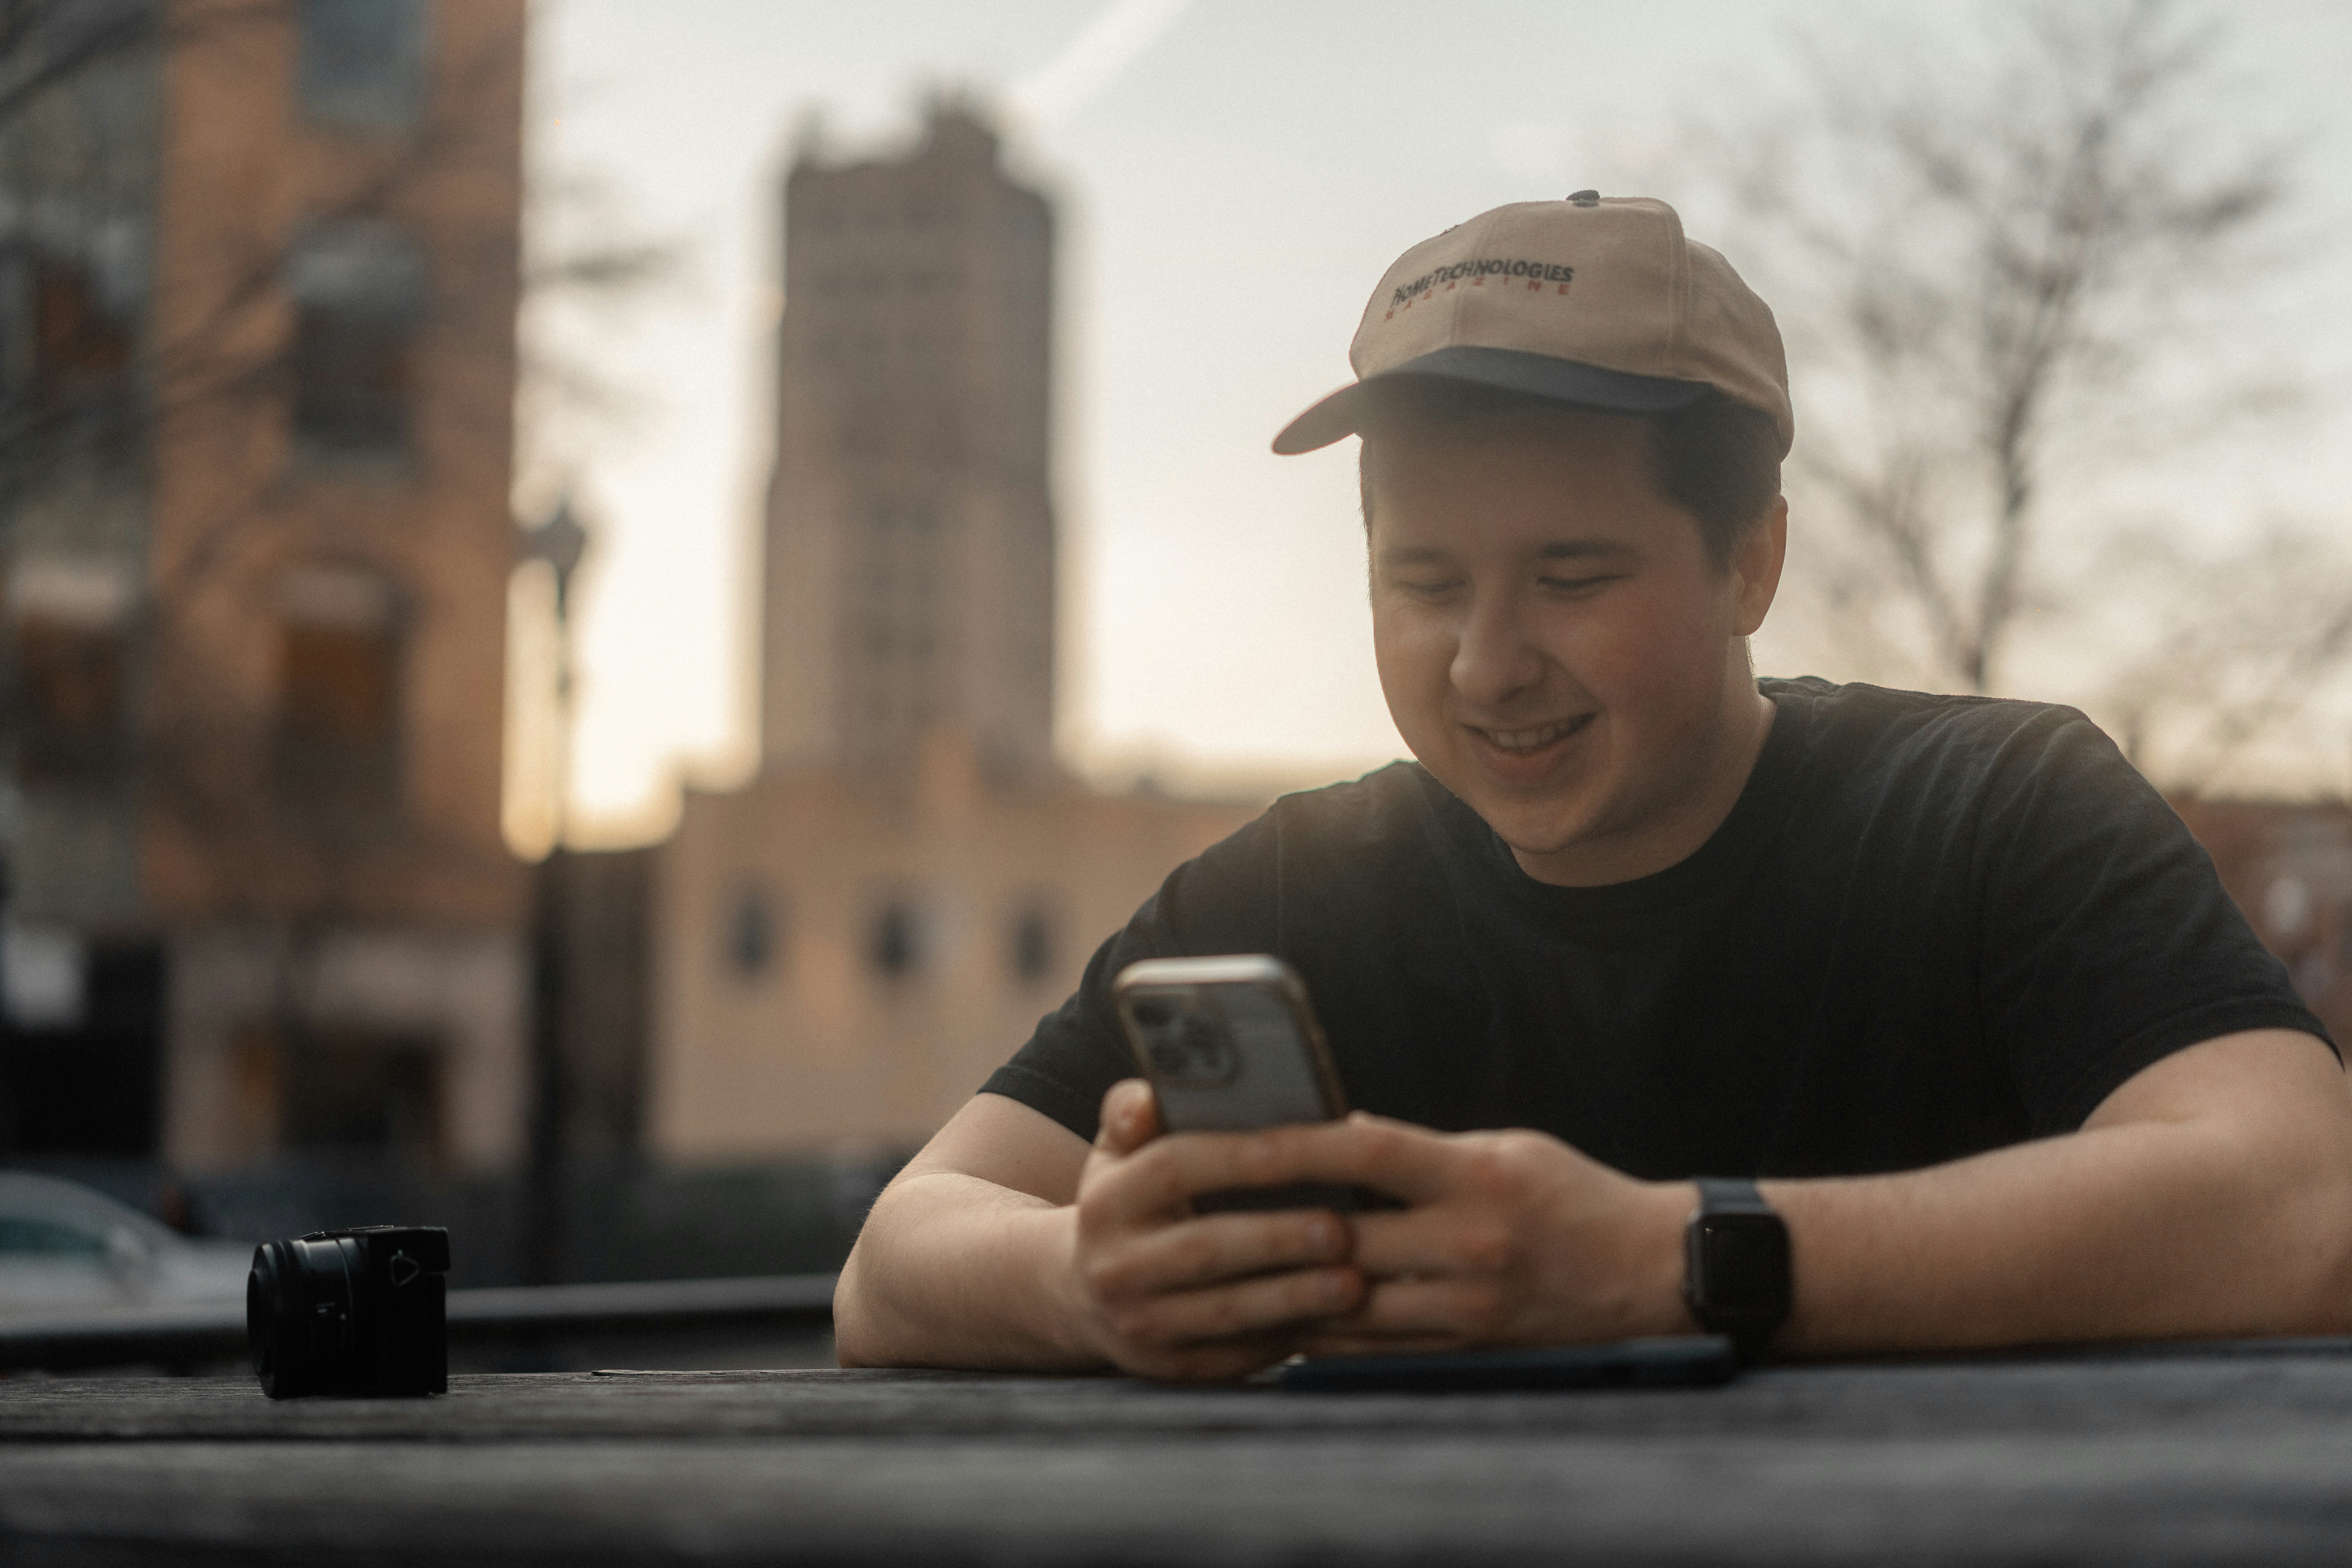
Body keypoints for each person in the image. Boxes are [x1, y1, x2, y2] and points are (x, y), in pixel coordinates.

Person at [832, 195, 2352, 1380]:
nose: (1486, 663)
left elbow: (2304, 1209)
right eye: (1424, 581)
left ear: (1750, 559)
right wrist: (1085, 1283)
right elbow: (894, 1262)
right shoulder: (1298, 883)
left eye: (1572, 576)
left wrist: (1670, 1258)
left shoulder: (2001, 807)